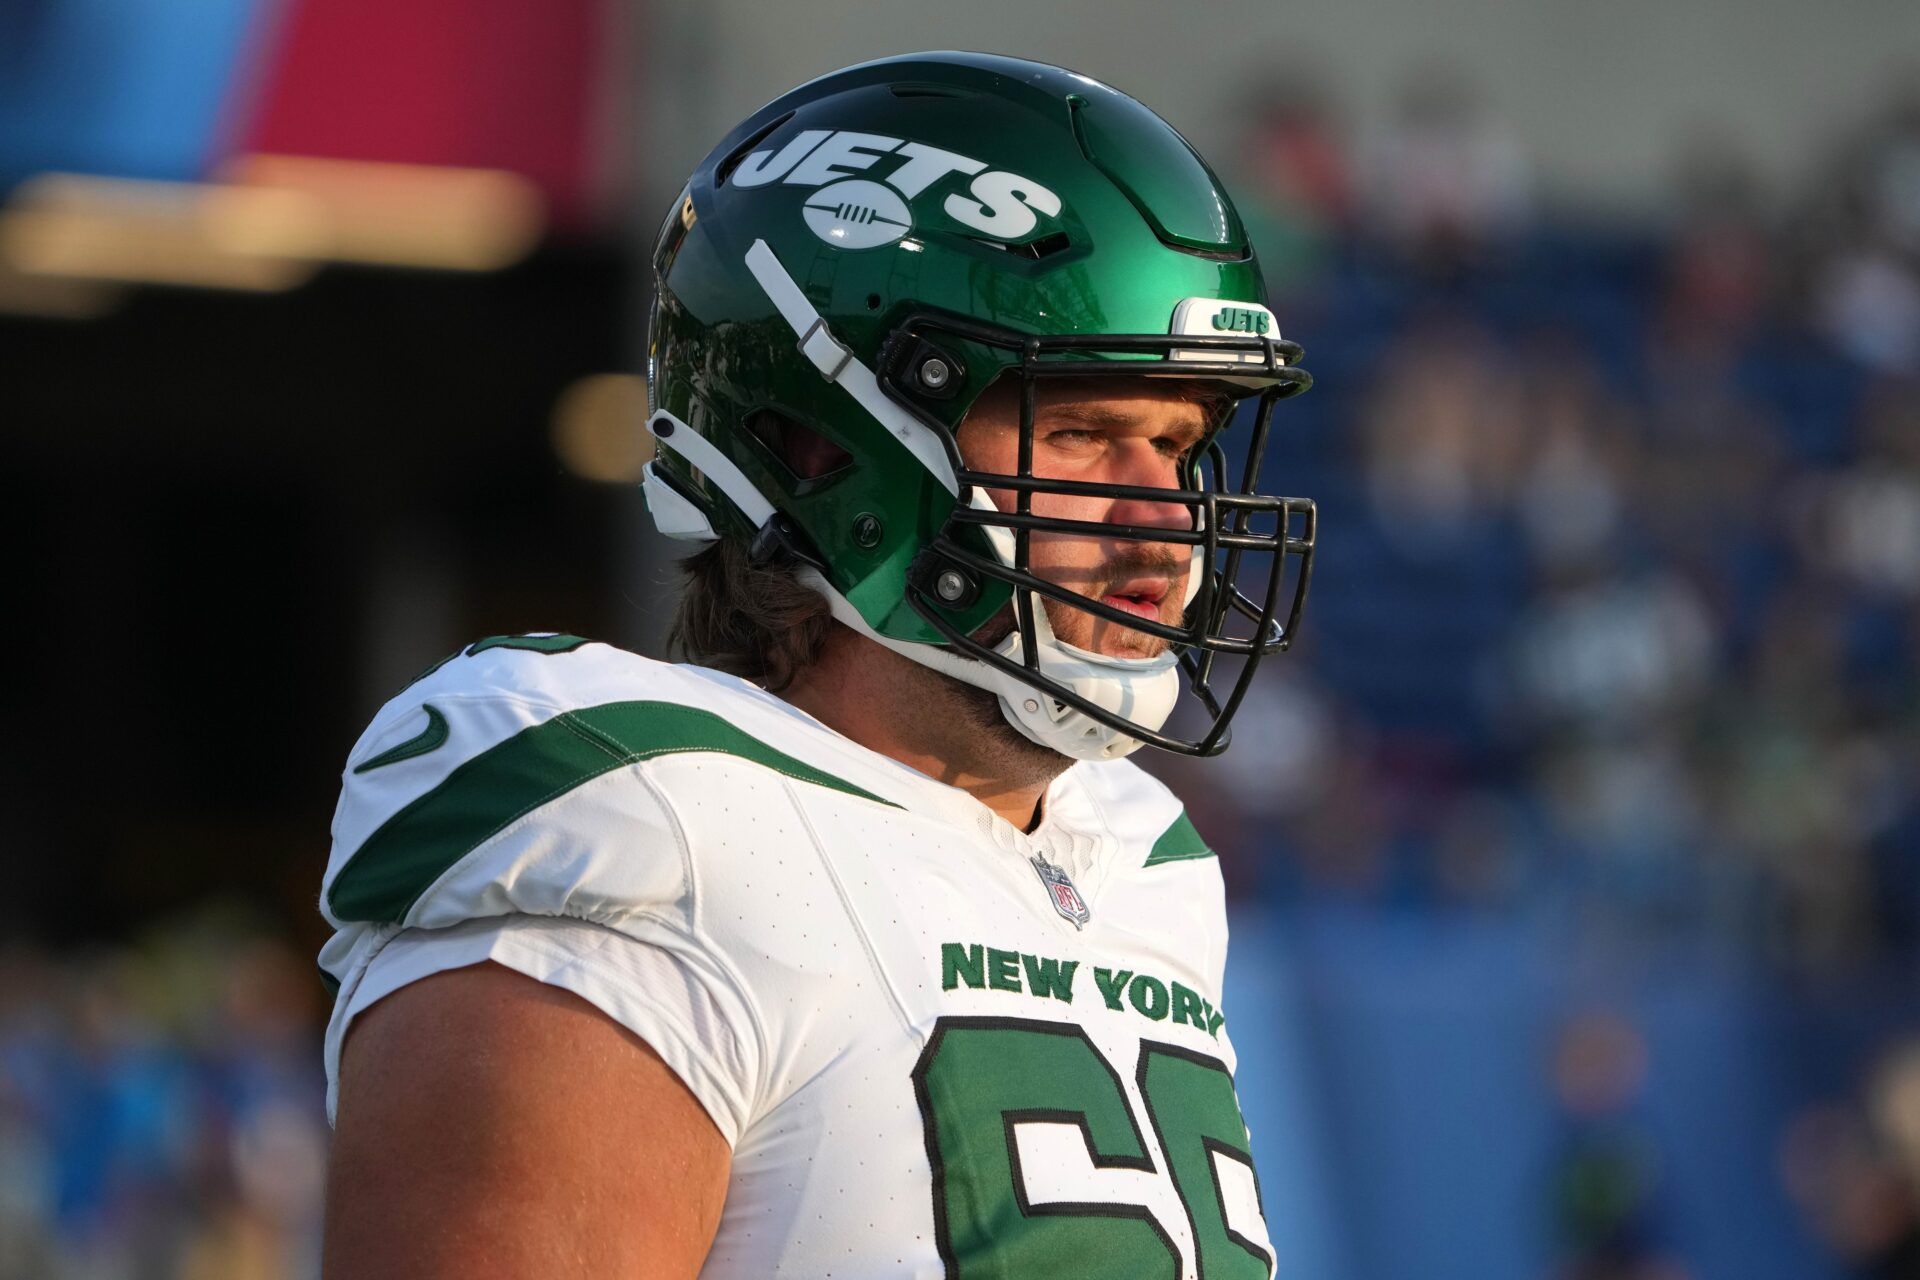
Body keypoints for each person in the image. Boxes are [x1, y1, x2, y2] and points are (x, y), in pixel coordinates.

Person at [317, 51, 1315, 1279]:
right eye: (1084, 435)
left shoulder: (1136, 856)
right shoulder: (652, 819)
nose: (1160, 524)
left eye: (1176, 447)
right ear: (821, 445)